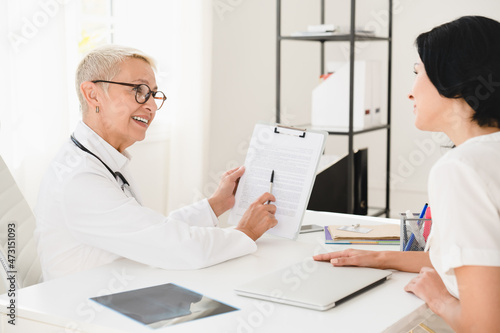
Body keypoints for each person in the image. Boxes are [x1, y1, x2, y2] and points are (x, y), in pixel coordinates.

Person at [314, 16, 500, 332]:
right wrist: (381, 258)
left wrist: (438, 298)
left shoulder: (460, 169)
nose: (410, 93)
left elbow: (485, 326)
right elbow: (481, 266)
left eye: (418, 74)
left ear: (455, 83)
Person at [34, 45, 277, 281]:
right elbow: (177, 248)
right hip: (82, 310)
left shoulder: (102, 160)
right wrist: (245, 232)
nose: (150, 105)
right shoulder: (80, 178)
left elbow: (152, 233)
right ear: (93, 94)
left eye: (152, 94)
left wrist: (215, 205)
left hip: (116, 288)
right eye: (138, 90)